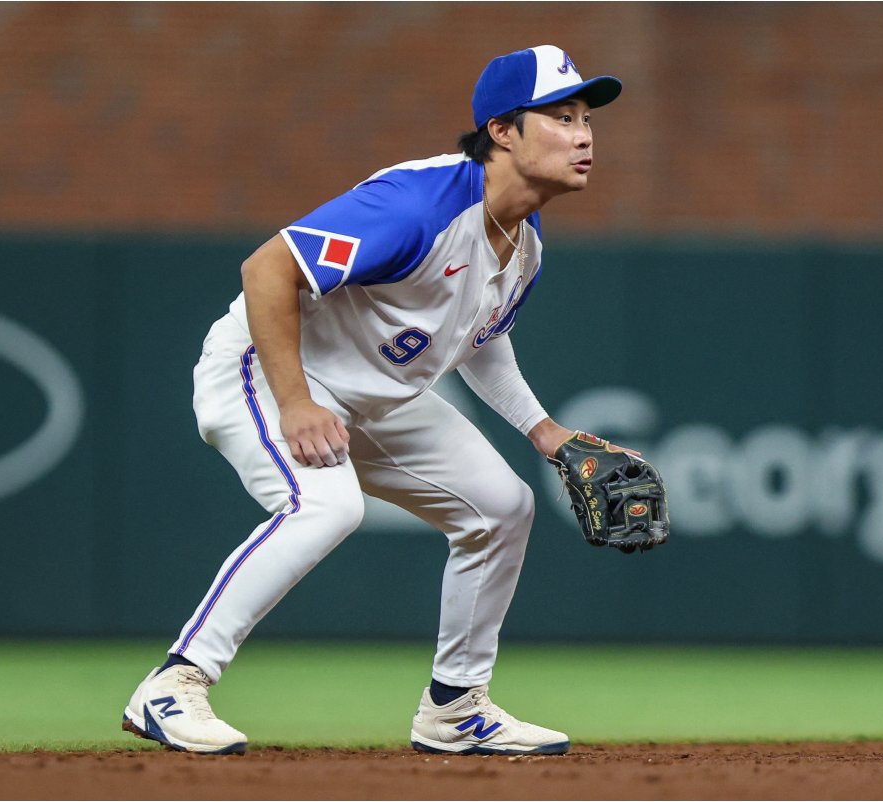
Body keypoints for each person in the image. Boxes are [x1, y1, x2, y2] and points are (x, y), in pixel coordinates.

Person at [123, 45, 623, 756]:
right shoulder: (417, 205)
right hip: (265, 370)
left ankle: (455, 708)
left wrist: (544, 431)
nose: (583, 136)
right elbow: (267, 269)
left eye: (586, 119)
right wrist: (295, 403)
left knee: (502, 508)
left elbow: (478, 340)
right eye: (561, 117)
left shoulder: (524, 244)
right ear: (502, 131)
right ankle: (175, 683)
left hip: (370, 398)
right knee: (327, 505)